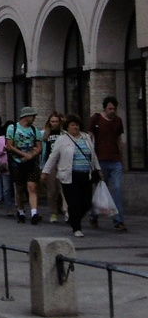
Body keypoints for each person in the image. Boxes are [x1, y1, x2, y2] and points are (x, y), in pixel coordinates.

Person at [42, 114, 98, 237]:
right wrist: (45, 171)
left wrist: (98, 169)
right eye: (72, 125)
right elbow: (53, 157)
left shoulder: (86, 137)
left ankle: (74, 218)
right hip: (69, 175)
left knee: (87, 202)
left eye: (77, 125)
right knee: (74, 202)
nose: (75, 127)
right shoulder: (62, 140)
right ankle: (76, 227)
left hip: (85, 174)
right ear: (67, 127)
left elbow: (93, 155)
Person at [89, 96, 127, 231]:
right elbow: (90, 137)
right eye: (110, 108)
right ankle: (94, 216)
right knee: (100, 189)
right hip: (100, 160)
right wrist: (91, 159)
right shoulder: (96, 119)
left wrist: (122, 158)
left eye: (114, 109)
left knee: (117, 188)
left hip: (115, 160)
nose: (112, 111)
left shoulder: (118, 121)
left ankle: (119, 221)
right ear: (105, 108)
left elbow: (119, 139)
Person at [6, 108, 43, 225]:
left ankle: (34, 213)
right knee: (20, 188)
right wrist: (24, 154)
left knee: (32, 187)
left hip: (31, 162)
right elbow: (9, 146)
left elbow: (39, 147)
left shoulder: (34, 130)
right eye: (32, 116)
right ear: (26, 116)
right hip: (17, 161)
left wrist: (32, 155)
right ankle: (21, 211)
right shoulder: (12, 129)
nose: (34, 118)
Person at [41, 112, 65, 222]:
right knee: (52, 189)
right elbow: (43, 148)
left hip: (63, 161)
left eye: (56, 121)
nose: (54, 123)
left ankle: (65, 210)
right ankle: (53, 212)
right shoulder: (46, 133)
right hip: (51, 162)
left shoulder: (63, 133)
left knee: (63, 188)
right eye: (52, 121)